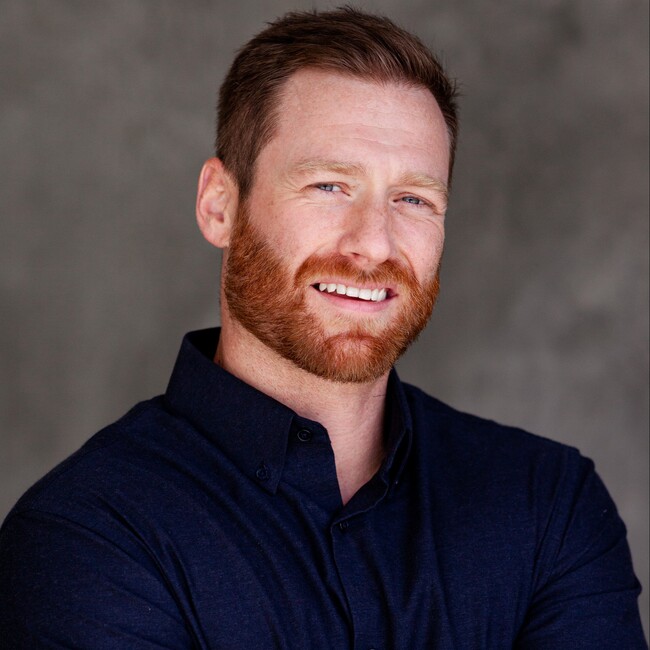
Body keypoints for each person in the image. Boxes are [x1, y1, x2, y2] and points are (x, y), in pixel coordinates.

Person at [0, 7, 645, 649]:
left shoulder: (547, 505)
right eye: (330, 186)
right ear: (219, 205)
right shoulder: (85, 536)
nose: (375, 243)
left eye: (413, 199)